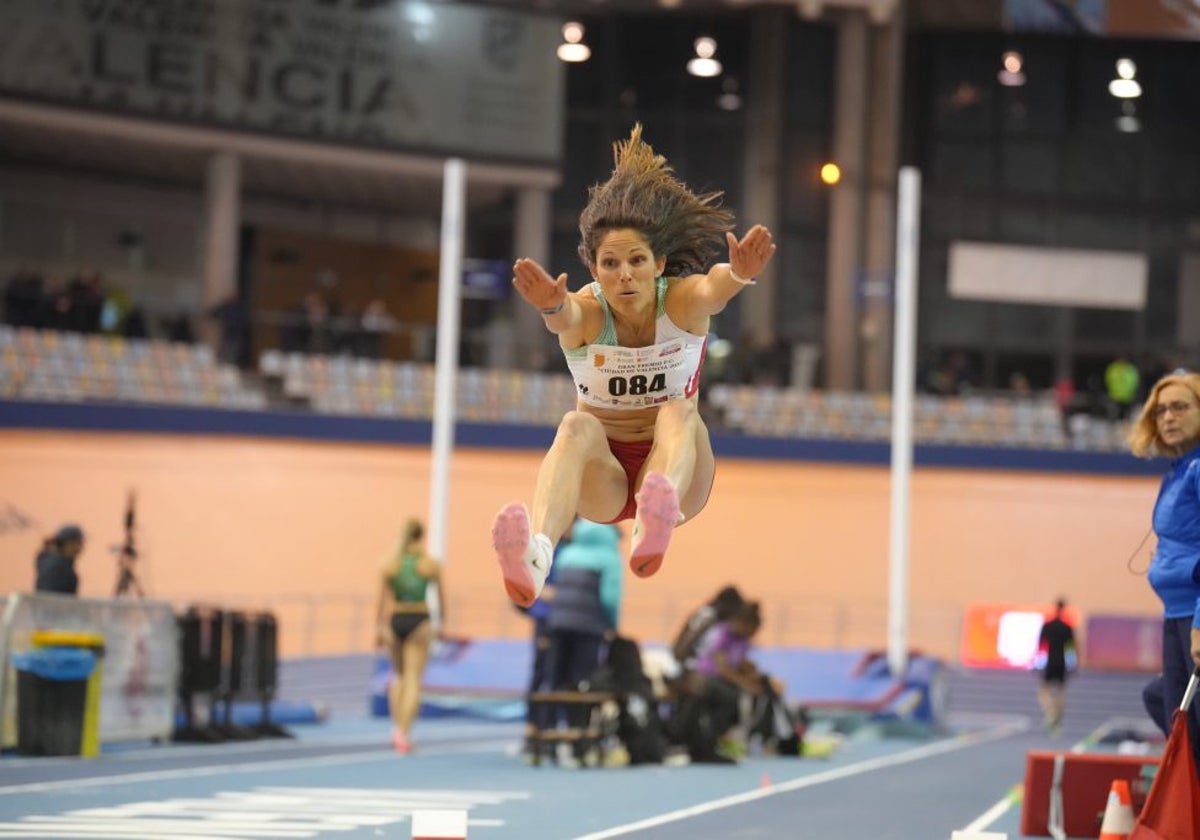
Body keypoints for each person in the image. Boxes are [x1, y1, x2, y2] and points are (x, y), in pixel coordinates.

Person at [491, 124, 777, 607]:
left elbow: (712, 289)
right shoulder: (589, 309)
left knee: (679, 411)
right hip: (606, 479)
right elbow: (567, 316)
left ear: (659, 264)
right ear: (594, 270)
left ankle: (654, 524)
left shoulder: (681, 303)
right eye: (609, 264)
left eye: (637, 260)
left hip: (676, 474)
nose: (624, 275)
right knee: (575, 426)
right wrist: (549, 306)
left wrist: (740, 275)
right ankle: (536, 559)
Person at [1127, 369, 1200, 779]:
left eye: (1179, 407)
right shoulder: (1177, 473)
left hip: (1195, 616)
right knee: (1180, 726)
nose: (1168, 417)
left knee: (1191, 731)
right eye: (1160, 411)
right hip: (1175, 615)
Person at [542, 519, 623, 763]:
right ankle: (579, 742)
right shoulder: (609, 558)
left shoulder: (567, 554)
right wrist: (611, 625)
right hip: (589, 627)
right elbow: (610, 597)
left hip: (557, 623)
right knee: (583, 683)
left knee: (555, 680)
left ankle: (546, 740)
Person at [374, 518, 443, 754]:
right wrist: (439, 624)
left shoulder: (390, 564)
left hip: (396, 620)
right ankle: (404, 731)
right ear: (421, 536)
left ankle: (396, 727)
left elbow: (381, 602)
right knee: (414, 678)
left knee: (399, 676)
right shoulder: (429, 564)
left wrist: (379, 628)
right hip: (419, 619)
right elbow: (441, 599)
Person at [1035, 598, 1077, 735]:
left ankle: (1051, 712)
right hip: (1062, 663)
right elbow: (1071, 648)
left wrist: (1039, 663)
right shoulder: (1067, 628)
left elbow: (1041, 646)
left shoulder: (1048, 626)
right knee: (1060, 692)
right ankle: (1056, 717)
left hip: (1051, 662)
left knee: (1044, 692)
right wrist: (1072, 664)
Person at [34, 524, 84, 595]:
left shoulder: (53, 562)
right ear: (70, 543)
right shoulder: (58, 567)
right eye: (80, 542)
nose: (81, 547)